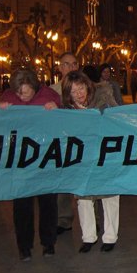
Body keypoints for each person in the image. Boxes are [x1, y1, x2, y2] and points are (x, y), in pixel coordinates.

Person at [0, 69, 60, 260]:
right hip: (21, 161)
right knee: (22, 206)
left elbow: (66, 118)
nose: (21, 97)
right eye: (18, 93)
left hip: (45, 158)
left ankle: (48, 243)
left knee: (48, 203)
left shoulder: (49, 96)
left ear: (34, 87)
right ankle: (24, 246)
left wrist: (57, 109)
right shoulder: (8, 97)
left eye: (24, 92)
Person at [61, 70, 120, 253]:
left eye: (81, 88)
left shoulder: (103, 101)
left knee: (109, 196)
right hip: (83, 158)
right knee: (83, 198)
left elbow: (117, 119)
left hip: (105, 154)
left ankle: (110, 237)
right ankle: (88, 236)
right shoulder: (67, 111)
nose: (79, 93)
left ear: (87, 85)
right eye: (73, 91)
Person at [51, 52, 79, 235]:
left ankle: (93, 221)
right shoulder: (52, 91)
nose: (70, 67)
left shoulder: (86, 88)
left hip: (81, 141)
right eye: (66, 64)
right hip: (61, 142)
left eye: (74, 64)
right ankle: (63, 220)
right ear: (60, 67)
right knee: (61, 183)